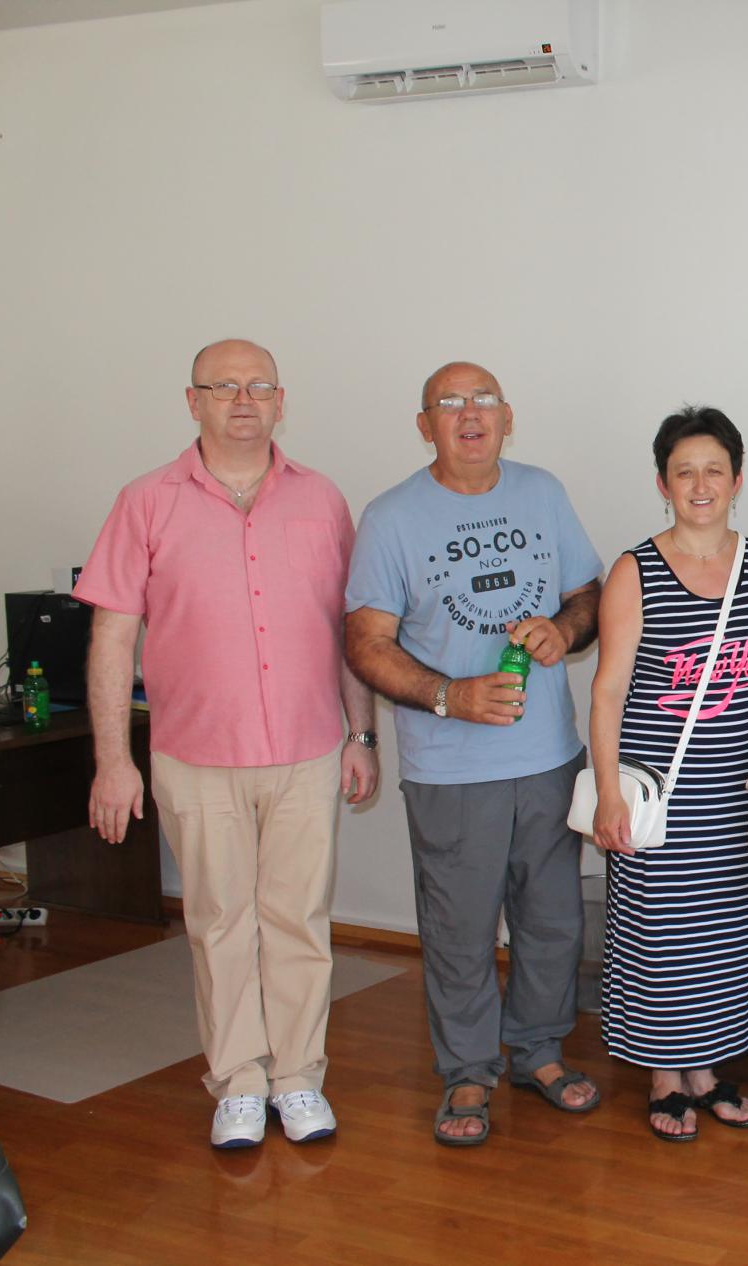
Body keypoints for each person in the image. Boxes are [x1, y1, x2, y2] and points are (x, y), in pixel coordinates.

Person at [75, 338, 378, 1148]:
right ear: (193, 401)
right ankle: (240, 1081)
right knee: (218, 924)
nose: (243, 400)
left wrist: (361, 734)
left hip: (308, 750)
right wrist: (113, 759)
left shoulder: (322, 500)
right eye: (223, 387)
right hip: (196, 755)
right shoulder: (145, 502)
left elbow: (349, 632)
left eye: (258, 386)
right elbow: (112, 639)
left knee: (299, 921)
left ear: (281, 401)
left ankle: (298, 1077)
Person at [344, 361, 604, 1146]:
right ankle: (466, 1070)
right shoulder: (391, 517)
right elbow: (366, 643)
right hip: (451, 769)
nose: (469, 414)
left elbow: (588, 595)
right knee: (459, 929)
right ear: (425, 424)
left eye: (483, 400)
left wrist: (564, 629)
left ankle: (537, 1052)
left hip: (548, 756)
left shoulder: (542, 493)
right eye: (449, 402)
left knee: (553, 921)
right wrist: (448, 696)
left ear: (506, 417)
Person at [588, 406, 748, 1142]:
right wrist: (608, 792)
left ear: (737, 479)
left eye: (714, 470)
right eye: (684, 472)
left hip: (736, 789)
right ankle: (663, 1077)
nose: (700, 485)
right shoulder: (635, 570)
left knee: (723, 938)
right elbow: (607, 691)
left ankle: (704, 1071)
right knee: (659, 934)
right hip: (659, 793)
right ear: (662, 484)